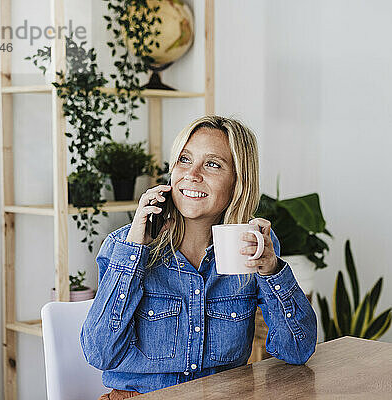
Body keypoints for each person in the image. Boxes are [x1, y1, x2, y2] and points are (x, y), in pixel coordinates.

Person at [81, 116, 317, 399]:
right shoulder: (124, 245)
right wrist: (134, 252)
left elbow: (297, 350)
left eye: (213, 164)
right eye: (184, 160)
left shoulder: (253, 245)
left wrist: (272, 271)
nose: (192, 174)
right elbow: (100, 354)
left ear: (238, 182)